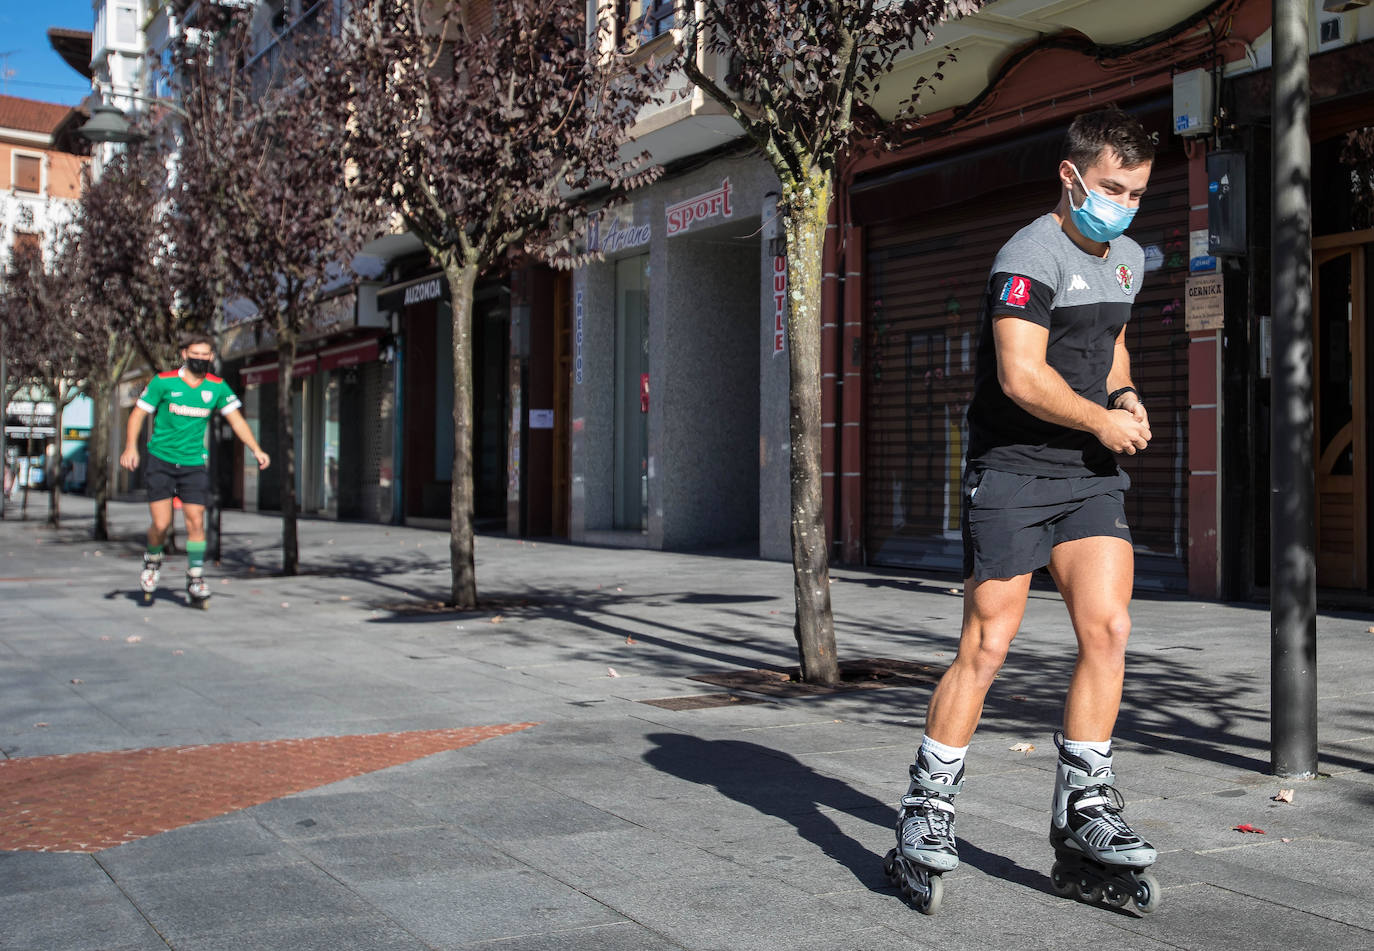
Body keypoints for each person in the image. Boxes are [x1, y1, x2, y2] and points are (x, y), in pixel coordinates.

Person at [884, 108, 1160, 915]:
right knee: (988, 642)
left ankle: (1085, 808)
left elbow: (1110, 342)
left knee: (1108, 629)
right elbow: (1021, 376)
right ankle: (926, 808)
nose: (1125, 206)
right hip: (1012, 471)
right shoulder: (1026, 257)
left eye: (1137, 193)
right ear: (1070, 177)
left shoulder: (1130, 258)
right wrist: (1101, 417)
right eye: (1112, 188)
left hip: (1089, 474)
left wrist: (1125, 394)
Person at [120, 335, 270, 605]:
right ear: (184, 354)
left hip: (193, 463)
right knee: (162, 524)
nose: (200, 359)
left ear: (211, 357)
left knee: (196, 521)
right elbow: (138, 414)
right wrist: (131, 447)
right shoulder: (163, 382)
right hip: (161, 460)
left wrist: (256, 449)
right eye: (195, 354)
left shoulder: (217, 387)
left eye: (205, 355)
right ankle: (152, 560)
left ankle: (196, 576)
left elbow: (236, 421)